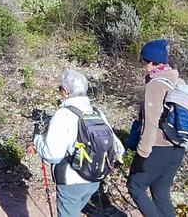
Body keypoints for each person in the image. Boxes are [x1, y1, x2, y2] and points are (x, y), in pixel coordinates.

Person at [30, 68, 123, 216]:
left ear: (66, 91)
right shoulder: (97, 112)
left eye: (60, 89)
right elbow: (119, 148)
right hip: (95, 179)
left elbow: (53, 155)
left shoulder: (63, 114)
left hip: (71, 179)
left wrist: (37, 140)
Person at [128, 39, 185, 217]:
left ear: (151, 62)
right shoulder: (179, 81)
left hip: (158, 148)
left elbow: (150, 124)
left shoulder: (155, 85)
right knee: (161, 194)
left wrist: (142, 153)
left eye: (144, 62)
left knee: (135, 186)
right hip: (178, 148)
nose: (144, 66)